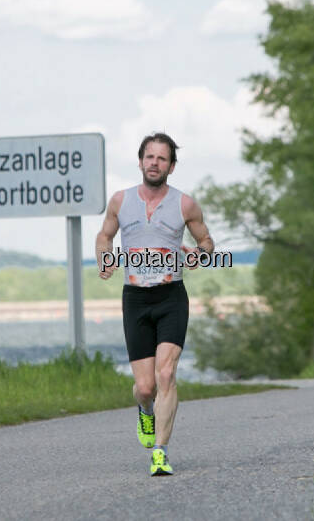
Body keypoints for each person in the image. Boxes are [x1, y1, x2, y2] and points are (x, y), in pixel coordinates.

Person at [95, 132, 214, 477]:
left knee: (166, 374)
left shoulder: (184, 204)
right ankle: (144, 410)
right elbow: (105, 236)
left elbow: (205, 241)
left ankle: (160, 452)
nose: (154, 163)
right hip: (135, 299)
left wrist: (200, 255)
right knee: (145, 386)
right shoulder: (120, 200)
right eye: (150, 157)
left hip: (170, 297)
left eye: (162, 158)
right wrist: (104, 257)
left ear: (171, 166)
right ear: (140, 161)